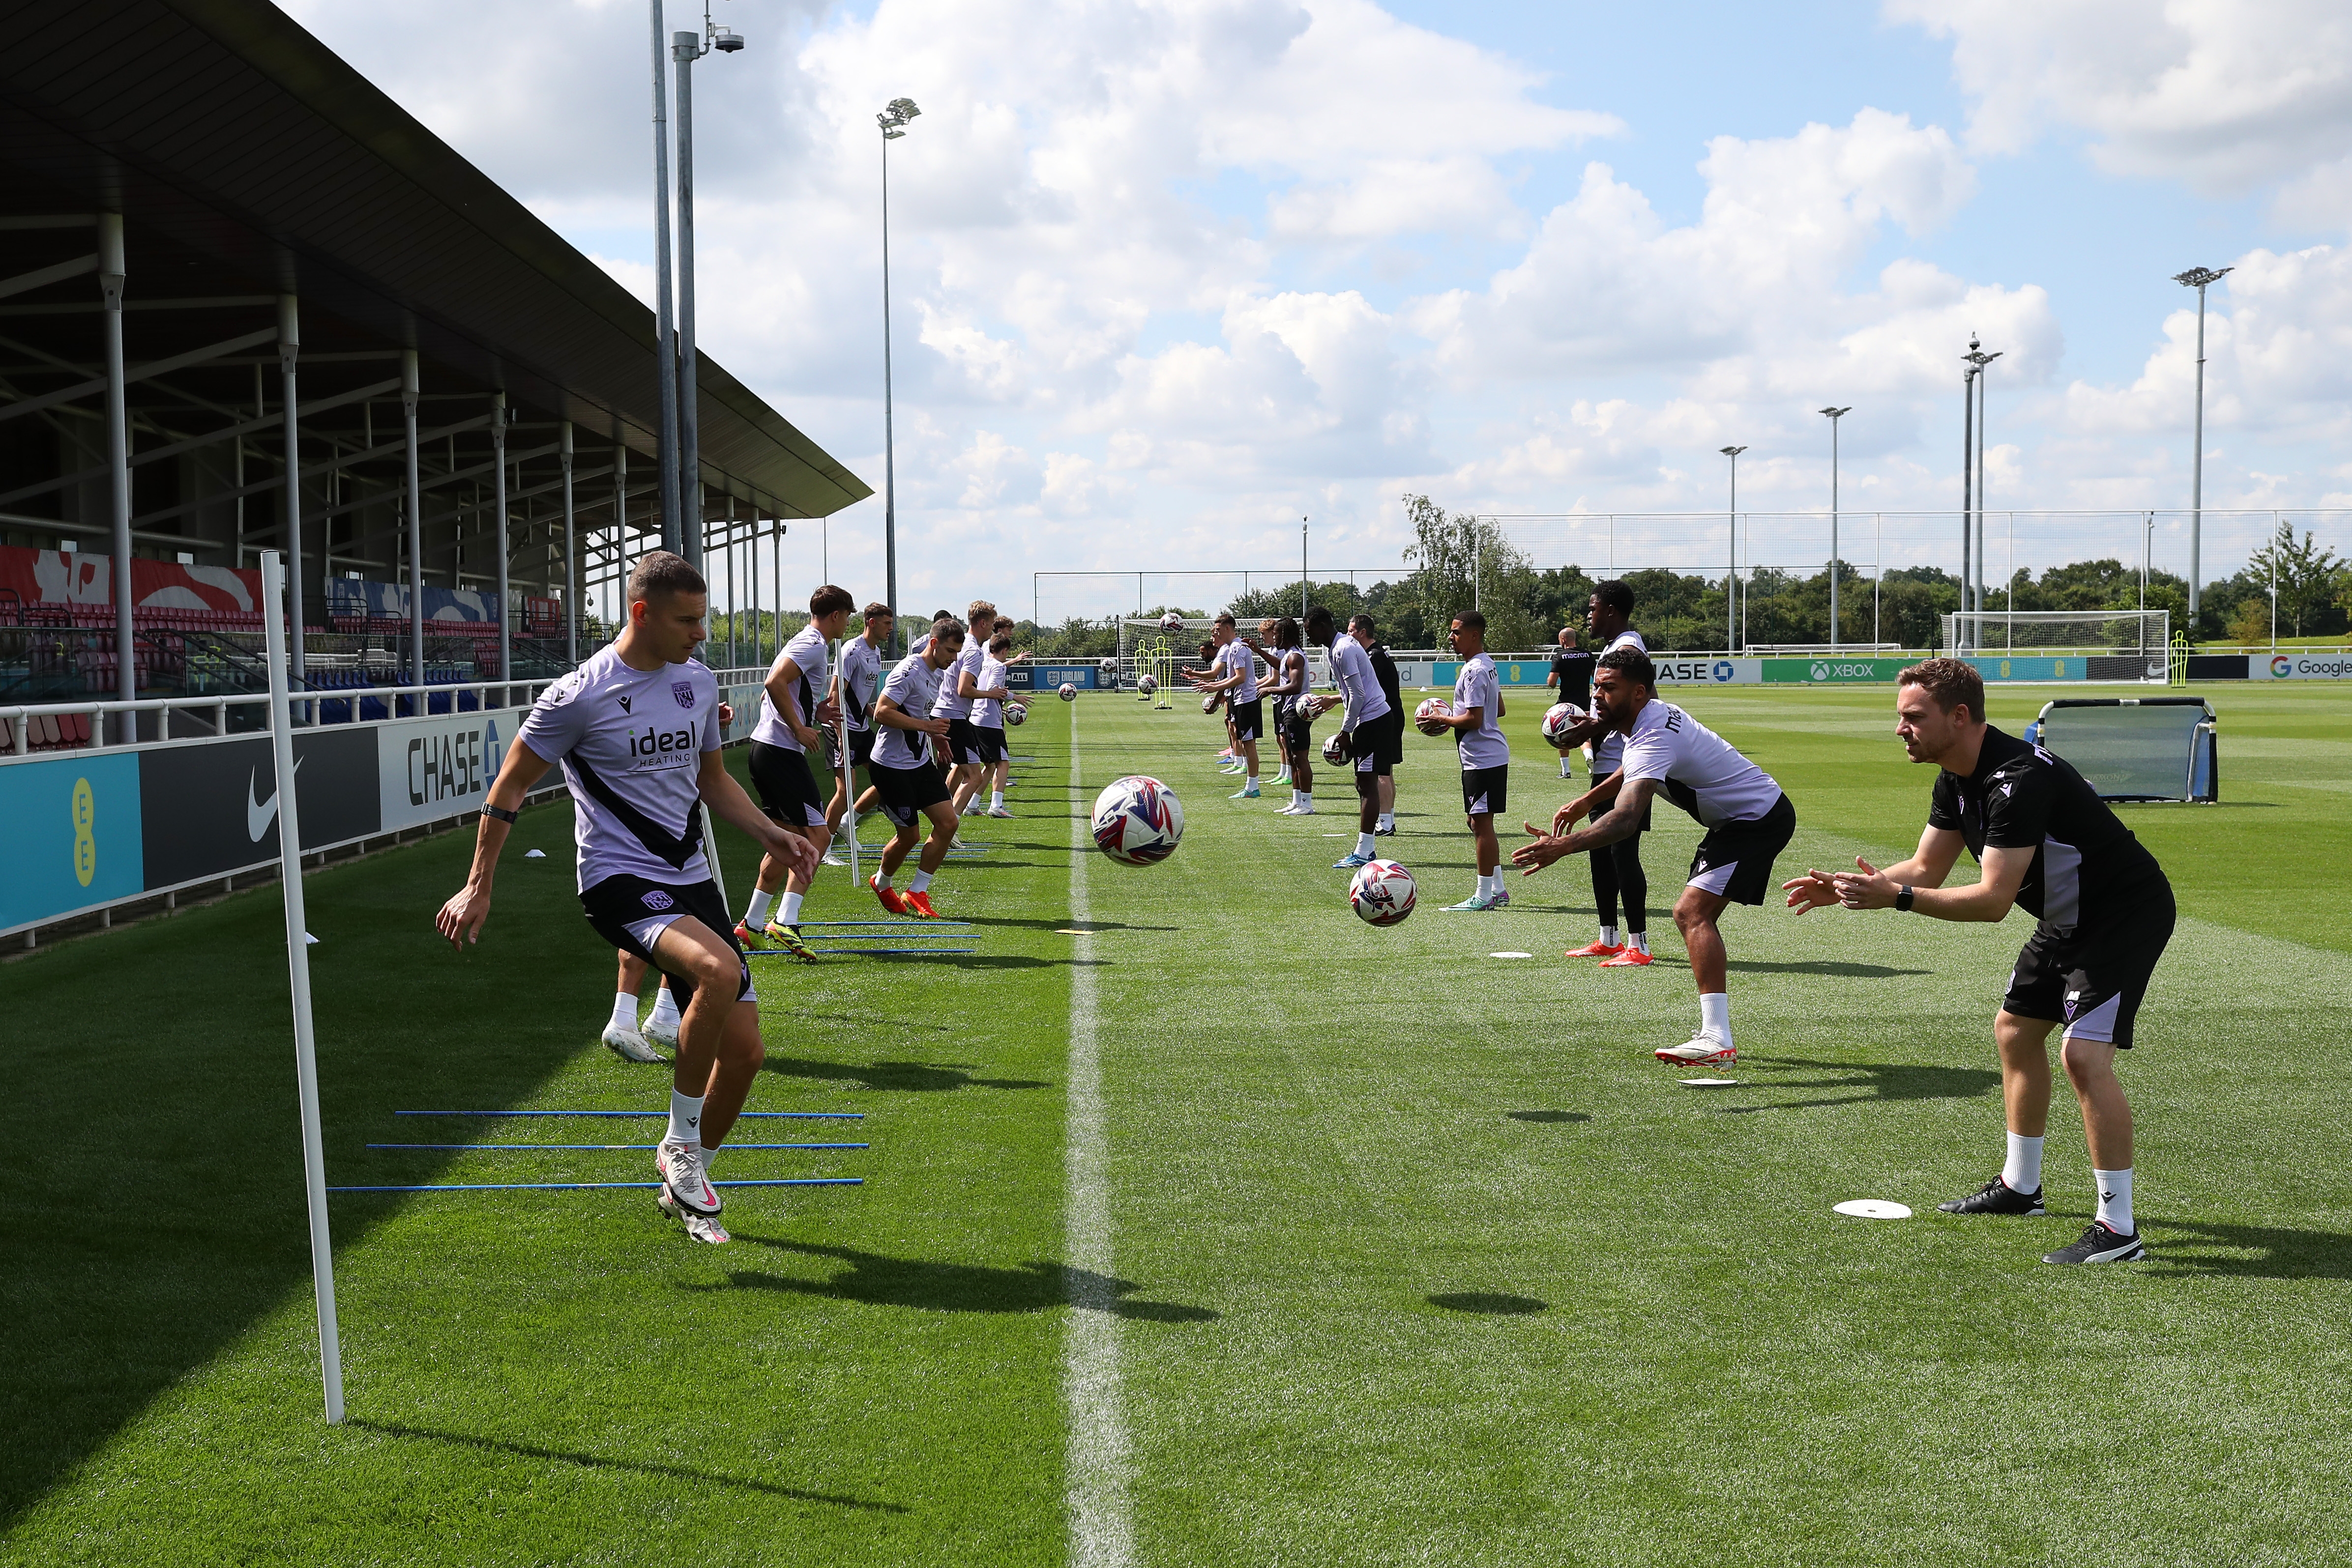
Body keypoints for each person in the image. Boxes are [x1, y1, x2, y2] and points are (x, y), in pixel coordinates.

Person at [437, 551, 816, 1245]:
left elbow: (712, 780)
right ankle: (677, 1141)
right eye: (687, 620)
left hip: (689, 875)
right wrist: (477, 882)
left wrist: (774, 833)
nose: (700, 633)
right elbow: (509, 787)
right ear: (641, 612)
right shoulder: (578, 694)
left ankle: (687, 1179)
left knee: (747, 1053)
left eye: (703, 618)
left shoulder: (696, 684)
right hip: (617, 879)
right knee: (718, 970)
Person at [1783, 659, 2173, 1266]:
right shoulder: (1955, 775)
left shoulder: (2016, 778)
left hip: (2122, 915)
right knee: (2014, 1030)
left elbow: (1992, 901)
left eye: (1913, 717)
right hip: (2065, 920)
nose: (1900, 729)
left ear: (1958, 717)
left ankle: (2117, 1229)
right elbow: (1924, 868)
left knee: (2083, 1055)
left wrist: (1899, 900)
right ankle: (2021, 1188)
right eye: (1900, 718)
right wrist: (1848, 888)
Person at [1513, 645, 1794, 1067]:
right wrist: (1583, 801)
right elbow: (1634, 767)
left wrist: (1562, 846)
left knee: (1691, 913)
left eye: (1608, 688)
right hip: (1741, 819)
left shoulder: (1652, 733)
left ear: (1640, 693)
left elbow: (1625, 821)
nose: (1596, 696)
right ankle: (1715, 1036)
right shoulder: (1651, 719)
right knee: (1693, 913)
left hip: (1756, 820)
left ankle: (1717, 1040)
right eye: (1595, 687)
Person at [735, 585, 852, 961]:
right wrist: (800, 729)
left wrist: (812, 714)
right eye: (847, 616)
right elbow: (775, 682)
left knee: (783, 841)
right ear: (836, 615)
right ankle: (786, 920)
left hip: (769, 751)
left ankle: (752, 924)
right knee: (818, 836)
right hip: (780, 752)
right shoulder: (814, 643)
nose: (847, 623)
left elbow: (788, 687)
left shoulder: (807, 641)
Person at [1553, 582, 1651, 963]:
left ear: (1610, 610)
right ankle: (1608, 937)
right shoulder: (1613, 649)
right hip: (1608, 764)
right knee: (1600, 852)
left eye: (1593, 609)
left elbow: (1631, 709)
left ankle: (1639, 944)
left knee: (1623, 854)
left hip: (1625, 767)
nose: (1588, 616)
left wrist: (1585, 730)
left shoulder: (1628, 648)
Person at [868, 621, 962, 919]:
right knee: (909, 837)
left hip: (920, 762)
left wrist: (934, 736)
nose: (953, 658)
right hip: (891, 766)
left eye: (957, 652)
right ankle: (882, 883)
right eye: (950, 651)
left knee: (948, 824)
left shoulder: (937, 673)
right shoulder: (908, 671)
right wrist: (927, 726)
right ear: (933, 644)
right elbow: (882, 712)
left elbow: (917, 713)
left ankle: (917, 891)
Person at [1299, 606, 1399, 870]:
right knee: (1363, 783)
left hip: (1374, 721)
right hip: (1371, 721)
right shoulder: (1340, 647)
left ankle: (1365, 851)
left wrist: (1345, 732)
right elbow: (1353, 693)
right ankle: (1365, 848)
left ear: (1322, 627)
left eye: (1309, 631)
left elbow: (1359, 694)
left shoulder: (1342, 649)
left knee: (1367, 785)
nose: (1308, 637)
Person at [1424, 610, 1509, 910]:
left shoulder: (1473, 670)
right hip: (1485, 756)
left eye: (1457, 632)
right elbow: (1498, 710)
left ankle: (1484, 895)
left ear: (1475, 636)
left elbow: (1474, 719)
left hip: (1483, 757)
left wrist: (1442, 718)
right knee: (1476, 821)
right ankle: (1497, 889)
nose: (1451, 637)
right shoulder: (1488, 665)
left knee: (1482, 824)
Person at [823, 602, 894, 865]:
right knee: (846, 790)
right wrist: (841, 735)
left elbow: (858, 695)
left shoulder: (875, 654)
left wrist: (873, 711)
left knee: (885, 775)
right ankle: (824, 848)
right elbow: (834, 696)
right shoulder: (851, 651)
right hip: (841, 727)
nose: (891, 629)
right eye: (887, 624)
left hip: (862, 728)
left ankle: (847, 821)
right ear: (872, 623)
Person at [1184, 612, 1265, 800]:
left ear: (1228, 628)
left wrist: (1215, 686)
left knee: (1249, 745)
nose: (1216, 633)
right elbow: (1232, 677)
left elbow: (1240, 677)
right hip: (1240, 701)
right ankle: (1251, 785)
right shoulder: (1232, 648)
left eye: (1218, 630)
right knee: (1246, 744)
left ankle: (1252, 787)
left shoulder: (1237, 648)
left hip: (1247, 701)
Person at [933, 600, 999, 809]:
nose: (992, 629)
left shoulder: (963, 645)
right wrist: (991, 694)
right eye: (991, 624)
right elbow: (964, 689)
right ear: (982, 623)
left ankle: (944, 816)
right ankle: (949, 825)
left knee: (960, 769)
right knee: (975, 777)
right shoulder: (973, 651)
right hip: (954, 716)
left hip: (945, 711)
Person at [1256, 616, 1316, 814]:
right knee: (1292, 758)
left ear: (1286, 634)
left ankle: (1307, 804)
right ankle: (1297, 801)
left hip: (1296, 712)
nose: (1274, 636)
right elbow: (1280, 665)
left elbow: (1295, 686)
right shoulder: (1289, 655)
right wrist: (1258, 651)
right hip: (1288, 710)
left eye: (1277, 633)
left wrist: (1271, 690)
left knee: (1300, 759)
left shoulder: (1296, 656)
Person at [963, 630, 1017, 818]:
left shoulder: (984, 664)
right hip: (989, 721)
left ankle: (972, 804)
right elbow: (991, 689)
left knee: (990, 765)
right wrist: (1012, 696)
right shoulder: (999, 667)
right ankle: (996, 806)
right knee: (1003, 764)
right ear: (1004, 651)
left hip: (976, 718)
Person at [1364, 620, 1405, 835]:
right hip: (1392, 716)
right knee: (1386, 771)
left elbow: (1367, 691)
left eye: (1352, 631)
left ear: (1363, 632)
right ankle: (1388, 819)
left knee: (1381, 773)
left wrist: (1333, 699)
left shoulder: (1375, 656)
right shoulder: (1380, 653)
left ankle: (1386, 822)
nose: (1348, 635)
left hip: (1386, 717)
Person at [1544, 624, 1594, 780]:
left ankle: (1566, 771)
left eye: (1560, 639)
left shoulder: (1560, 656)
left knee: (1560, 734)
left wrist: (1551, 682)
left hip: (1566, 703)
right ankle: (1589, 755)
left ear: (1564, 639)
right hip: (1585, 701)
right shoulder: (1587, 655)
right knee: (1585, 734)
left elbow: (1552, 682)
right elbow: (1597, 676)